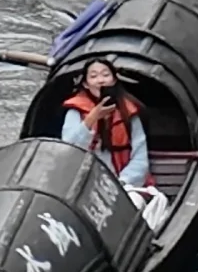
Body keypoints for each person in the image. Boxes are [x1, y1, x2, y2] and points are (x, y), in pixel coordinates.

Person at [61, 58, 168, 228]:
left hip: (124, 184)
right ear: (86, 84)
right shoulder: (75, 112)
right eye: (93, 76)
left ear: (114, 79)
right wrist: (91, 119)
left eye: (105, 75)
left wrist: (120, 185)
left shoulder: (128, 113)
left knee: (131, 208)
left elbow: (140, 159)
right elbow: (68, 149)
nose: (100, 80)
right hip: (85, 183)